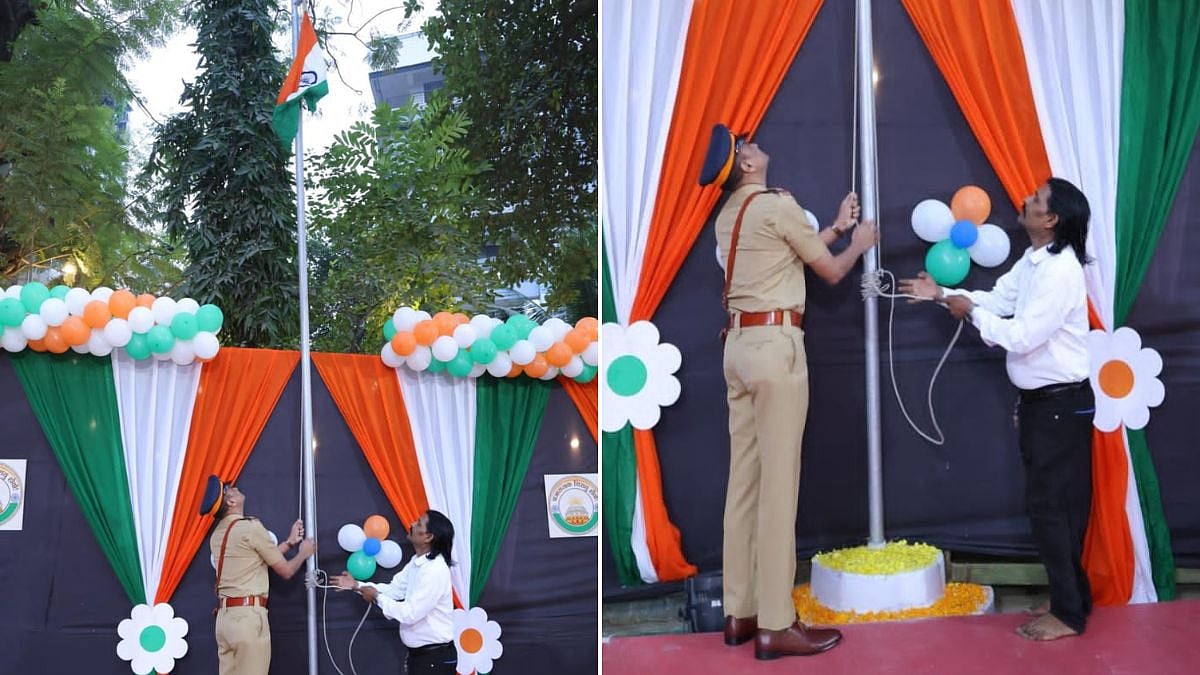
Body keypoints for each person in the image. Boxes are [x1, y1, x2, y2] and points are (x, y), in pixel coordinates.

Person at [699, 123, 878, 660]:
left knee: (744, 486)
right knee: (779, 488)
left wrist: (833, 228)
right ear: (747, 166)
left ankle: (741, 612)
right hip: (776, 347)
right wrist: (858, 243)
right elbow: (828, 273)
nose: (752, 145)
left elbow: (781, 255)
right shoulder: (778, 206)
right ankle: (776, 624)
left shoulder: (729, 216)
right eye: (745, 146)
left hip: (736, 347)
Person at [899, 177, 1094, 641]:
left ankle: (1068, 614)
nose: (1025, 200)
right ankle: (1072, 597)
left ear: (1051, 219)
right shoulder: (1033, 262)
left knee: (1053, 510)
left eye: (1037, 200)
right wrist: (945, 295)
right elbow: (997, 301)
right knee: (1055, 508)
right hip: (1043, 406)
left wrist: (968, 312)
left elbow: (1022, 334)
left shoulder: (1060, 271)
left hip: (1059, 407)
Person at [201, 475, 316, 675]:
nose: (234, 487)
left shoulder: (218, 533)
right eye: (229, 488)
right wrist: (303, 554)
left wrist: (289, 542)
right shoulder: (251, 528)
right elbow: (286, 571)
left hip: (224, 621)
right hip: (247, 619)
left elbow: (255, 562)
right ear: (231, 501)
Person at [334, 510, 457, 674]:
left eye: (419, 523)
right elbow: (394, 590)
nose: (412, 524)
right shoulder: (418, 562)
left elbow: (410, 614)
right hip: (422, 657)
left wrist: (377, 597)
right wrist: (356, 585)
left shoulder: (434, 570)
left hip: (434, 659)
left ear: (428, 537)